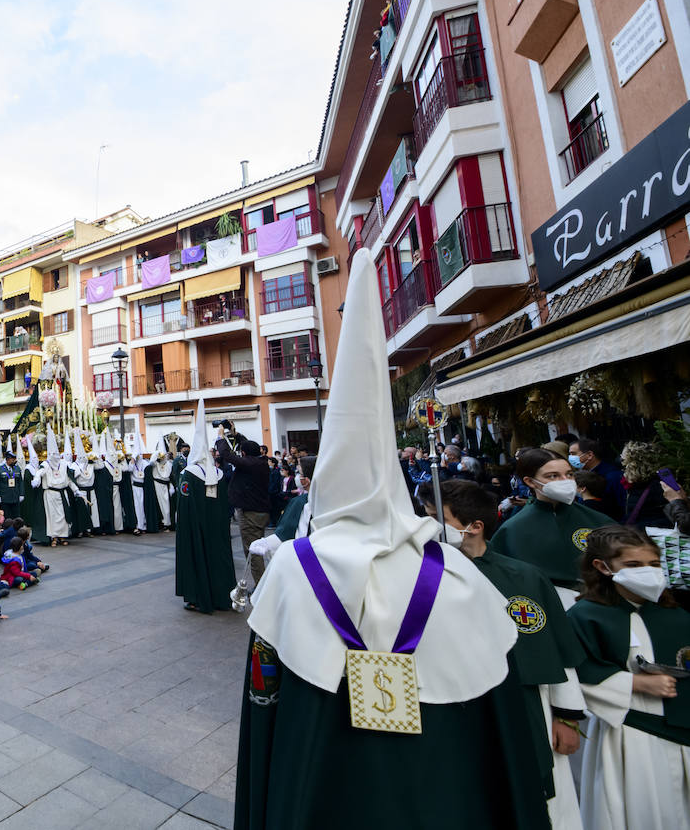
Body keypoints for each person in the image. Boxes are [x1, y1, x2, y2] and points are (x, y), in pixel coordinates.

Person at [235, 257, 550, 830]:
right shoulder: (457, 576)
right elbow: (502, 724)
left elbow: (264, 700)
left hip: (322, 788)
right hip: (445, 792)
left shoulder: (289, 572)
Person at [439, 480, 587, 829]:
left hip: (524, 701)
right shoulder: (424, 576)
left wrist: (566, 715)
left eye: (436, 517)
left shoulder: (524, 577)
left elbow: (557, 649)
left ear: (474, 527)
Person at [568, 526, 690, 829]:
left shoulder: (676, 615)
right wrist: (634, 683)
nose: (647, 572)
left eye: (654, 564)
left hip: (683, 729)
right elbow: (573, 672)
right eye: (633, 565)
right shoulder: (587, 615)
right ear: (603, 567)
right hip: (631, 728)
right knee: (639, 809)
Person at [491, 448, 618, 604]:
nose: (564, 481)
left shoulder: (597, 520)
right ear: (530, 481)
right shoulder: (512, 529)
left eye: (569, 474)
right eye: (553, 476)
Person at [175, 400, 236, 615]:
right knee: (218, 557)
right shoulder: (218, 475)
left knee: (197, 557)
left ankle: (198, 598)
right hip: (218, 528)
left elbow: (184, 504)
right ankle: (221, 597)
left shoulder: (189, 474)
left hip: (195, 527)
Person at [225, 429, 272, 585]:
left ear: (244, 454)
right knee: (257, 549)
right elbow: (248, 447)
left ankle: (261, 587)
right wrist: (235, 434)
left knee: (253, 552)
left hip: (250, 514)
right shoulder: (261, 462)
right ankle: (263, 584)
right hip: (260, 512)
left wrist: (220, 438)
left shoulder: (250, 464)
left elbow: (227, 455)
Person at [570, 438, 628, 522]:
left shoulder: (613, 476)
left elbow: (623, 506)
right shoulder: (584, 473)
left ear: (590, 455)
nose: (571, 458)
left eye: (573, 454)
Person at [33, 430, 73, 546]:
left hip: (62, 493)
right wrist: (36, 479)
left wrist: (76, 490)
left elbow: (69, 480)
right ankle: (54, 537)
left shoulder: (64, 464)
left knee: (63, 515)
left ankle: (63, 536)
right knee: (52, 516)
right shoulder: (45, 465)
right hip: (50, 494)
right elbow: (39, 472)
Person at [0, 451, 24, 520]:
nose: (14, 461)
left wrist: (21, 494)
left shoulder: (17, 469)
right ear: (7, 459)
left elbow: (20, 482)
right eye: (12, 460)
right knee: (7, 517)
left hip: (15, 497)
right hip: (4, 498)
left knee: (16, 517)